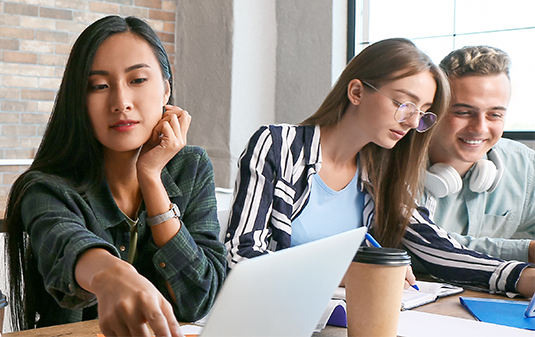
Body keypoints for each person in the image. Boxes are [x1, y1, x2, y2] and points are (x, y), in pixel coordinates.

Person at [224, 38, 535, 296]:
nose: (414, 122)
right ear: (357, 91)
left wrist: (520, 278)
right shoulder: (279, 145)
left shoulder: (380, 170)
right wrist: (343, 272)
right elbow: (241, 255)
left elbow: (437, 248)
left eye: (423, 112)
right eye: (405, 105)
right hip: (272, 315)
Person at [2, 16, 226, 337]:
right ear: (80, 101)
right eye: (99, 86)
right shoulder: (45, 189)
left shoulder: (190, 167)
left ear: (165, 90)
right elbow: (70, 244)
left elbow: (198, 298)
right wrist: (111, 277)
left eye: (137, 80)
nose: (121, 102)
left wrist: (150, 177)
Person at [422, 46, 535, 262]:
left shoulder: (524, 165)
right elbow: (420, 247)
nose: (480, 128)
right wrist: (526, 250)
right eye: (463, 113)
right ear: (434, 109)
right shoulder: (398, 163)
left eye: (494, 114)